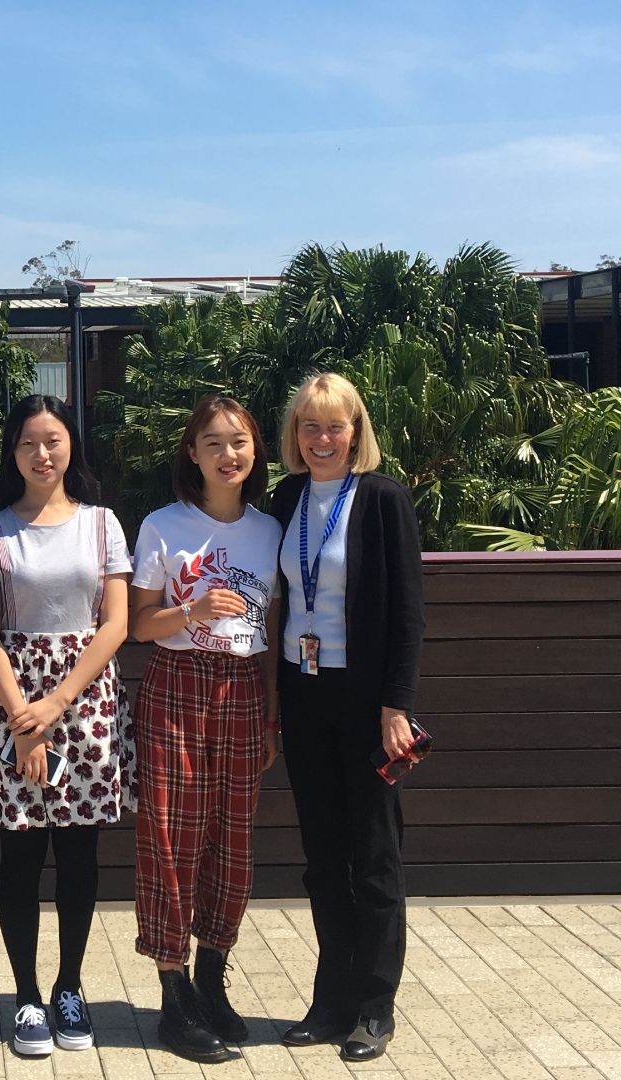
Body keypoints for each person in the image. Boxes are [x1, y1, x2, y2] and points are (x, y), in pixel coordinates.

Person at [0, 395, 133, 1058]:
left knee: (81, 853)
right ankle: (27, 994)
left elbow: (114, 623)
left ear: (70, 448)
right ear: (14, 452)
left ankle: (69, 987)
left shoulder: (102, 524)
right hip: (13, 699)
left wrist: (57, 704)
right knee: (21, 854)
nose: (42, 454)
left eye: (53, 441)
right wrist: (23, 719)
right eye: (29, 443)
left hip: (83, 699)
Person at [267, 373, 424, 1063]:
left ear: (356, 432)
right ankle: (330, 998)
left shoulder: (384, 498)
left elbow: (408, 611)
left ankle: (374, 1004)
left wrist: (397, 704)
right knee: (324, 860)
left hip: (366, 704)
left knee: (374, 860)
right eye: (309, 426)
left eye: (334, 426)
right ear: (294, 435)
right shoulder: (287, 496)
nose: (321, 439)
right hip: (303, 695)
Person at [127, 395, 283, 1064]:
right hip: (177, 685)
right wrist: (188, 606)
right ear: (192, 453)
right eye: (213, 443)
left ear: (256, 452)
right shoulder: (164, 525)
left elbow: (272, 632)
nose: (228, 454)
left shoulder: (271, 531)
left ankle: (214, 979)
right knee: (170, 839)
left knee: (232, 842)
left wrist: (272, 710)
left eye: (239, 442)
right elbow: (138, 624)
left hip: (245, 688)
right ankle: (172, 991)